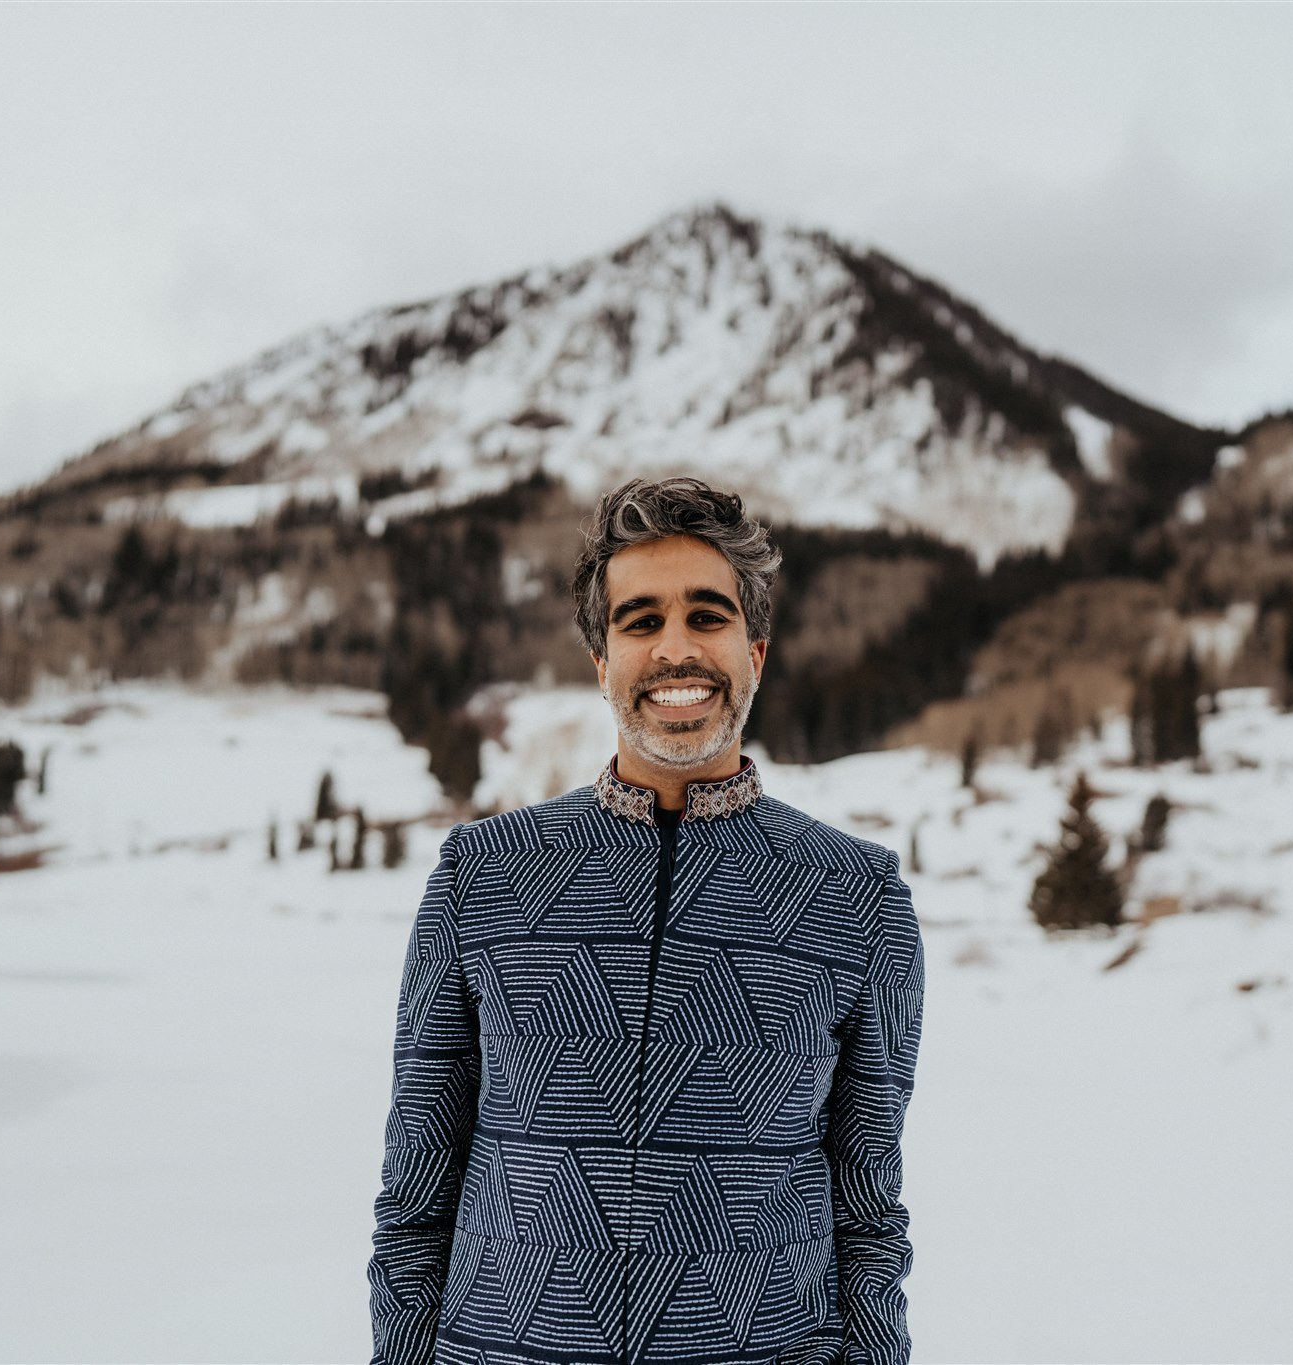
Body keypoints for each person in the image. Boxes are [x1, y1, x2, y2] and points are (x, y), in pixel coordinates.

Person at [368, 476, 926, 1364]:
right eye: (640, 621)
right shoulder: (483, 876)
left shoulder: (856, 898)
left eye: (708, 616)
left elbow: (867, 1211)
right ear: (601, 663)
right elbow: (415, 1197)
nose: (676, 648)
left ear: (757, 652)